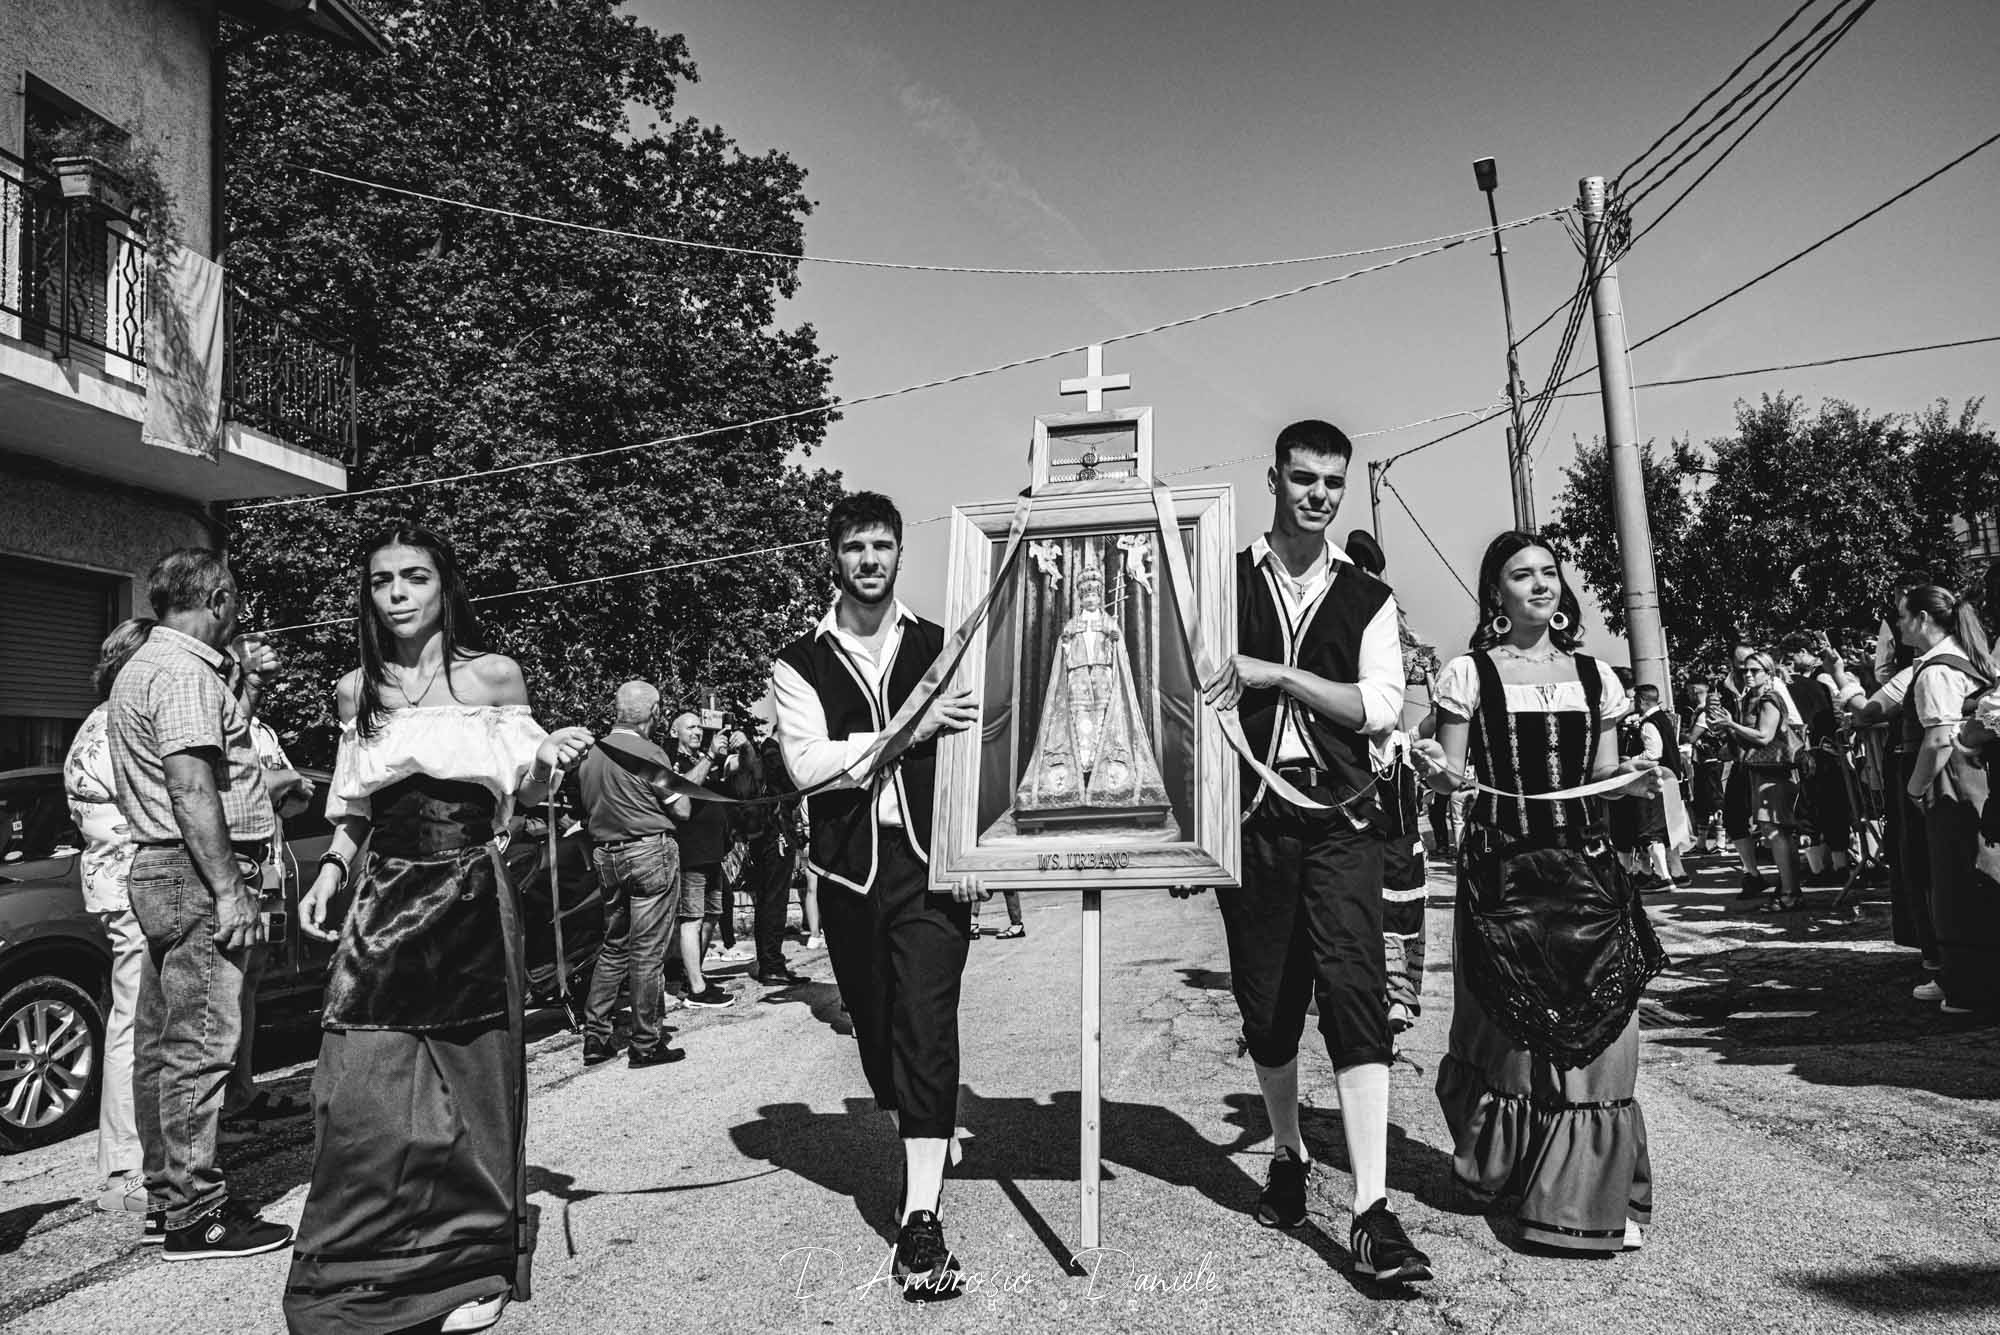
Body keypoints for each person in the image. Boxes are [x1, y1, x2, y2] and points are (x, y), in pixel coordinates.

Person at [287, 526, 594, 1335]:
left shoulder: (494, 676)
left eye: (414, 576)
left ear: (442, 586)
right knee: (356, 1092)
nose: (397, 592)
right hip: (382, 897)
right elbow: (354, 807)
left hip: (468, 889)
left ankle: (470, 1266)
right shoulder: (355, 689)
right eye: (383, 578)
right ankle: (359, 1276)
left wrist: (550, 754)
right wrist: (328, 871)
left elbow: (522, 793)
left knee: (473, 1083)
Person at [1200, 419, 1433, 1283]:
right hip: (1254, 821)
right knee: (1267, 1001)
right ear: (1274, 478)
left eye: (1333, 483)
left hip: (1342, 816)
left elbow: (1378, 705)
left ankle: (1372, 1209)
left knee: (1353, 988)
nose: (1319, 495)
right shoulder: (1218, 581)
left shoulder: (1368, 596)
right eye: (1304, 479)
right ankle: (1290, 1150)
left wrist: (1280, 675)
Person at [1411, 531, 1665, 1255]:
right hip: (1502, 876)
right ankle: (1518, 1171)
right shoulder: (1469, 674)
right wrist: (1434, 767)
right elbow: (1452, 777)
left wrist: (1638, 784)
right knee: (1514, 1040)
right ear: (1497, 592)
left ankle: (1588, 1194)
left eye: (1549, 572)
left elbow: (1606, 782)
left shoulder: (1596, 678)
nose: (1540, 584)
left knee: (1606, 1037)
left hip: (1586, 874)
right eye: (1522, 575)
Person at [770, 490, 982, 1299]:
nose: (870, 560)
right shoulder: (799, 660)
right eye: (855, 546)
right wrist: (905, 733)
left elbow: (976, 735)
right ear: (834, 557)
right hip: (852, 870)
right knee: (877, 1024)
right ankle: (915, 1122)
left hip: (931, 863)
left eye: (882, 546)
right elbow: (806, 764)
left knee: (926, 1022)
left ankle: (921, 1216)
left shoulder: (940, 644)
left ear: (900, 554)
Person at [105, 549, 292, 1260]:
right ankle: (195, 1212)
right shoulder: (183, 672)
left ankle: (165, 1196)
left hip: (162, 867)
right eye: (235, 601)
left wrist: (242, 689)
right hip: (193, 870)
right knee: (202, 1043)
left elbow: (218, 756)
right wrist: (229, 889)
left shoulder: (150, 666)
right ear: (217, 598)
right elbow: (192, 788)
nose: (238, 613)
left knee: (160, 1041)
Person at [61, 618, 157, 1219]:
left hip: (125, 889)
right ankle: (125, 1165)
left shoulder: (98, 723)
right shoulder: (114, 725)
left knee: (139, 1018)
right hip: (134, 890)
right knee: (136, 1021)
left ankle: (134, 1157)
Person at [577, 680, 690, 1067]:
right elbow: (683, 809)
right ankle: (646, 1043)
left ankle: (596, 1038)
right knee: (647, 952)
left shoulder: (592, 754)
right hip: (648, 851)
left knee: (613, 946)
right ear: (655, 712)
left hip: (606, 856)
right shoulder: (649, 752)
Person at [1896, 585, 1997, 1013]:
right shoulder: (1966, 658)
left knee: (1956, 880)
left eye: (1902, 616)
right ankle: (1958, 975)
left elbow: (1939, 740)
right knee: (1968, 873)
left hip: (1951, 780)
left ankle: (1969, 985)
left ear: (1922, 618)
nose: (1898, 625)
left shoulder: (1936, 670)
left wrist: (1914, 788)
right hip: (1974, 778)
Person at [223, 698, 314, 1126]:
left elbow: (298, 798)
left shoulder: (263, 730)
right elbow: (239, 793)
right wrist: (278, 786)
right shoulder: (216, 720)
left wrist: (281, 788)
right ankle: (219, 1098)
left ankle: (243, 1088)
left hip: (272, 871)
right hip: (235, 870)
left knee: (256, 973)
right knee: (229, 980)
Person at [1713, 651, 1806, 911]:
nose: (1749, 675)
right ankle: (1789, 890)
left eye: (1755, 670)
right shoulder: (1753, 699)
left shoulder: (1769, 699)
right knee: (1774, 831)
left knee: (1776, 831)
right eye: (1745, 671)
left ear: (1769, 673)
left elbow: (1765, 736)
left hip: (1774, 772)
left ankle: (1790, 892)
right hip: (1763, 771)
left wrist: (1732, 725)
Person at [722, 726, 811, 985]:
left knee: (767, 900)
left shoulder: (767, 752)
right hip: (776, 836)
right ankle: (772, 964)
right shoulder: (774, 753)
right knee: (774, 900)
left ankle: (770, 962)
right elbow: (782, 785)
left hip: (765, 837)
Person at [666, 710, 738, 1006]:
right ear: (674, 732)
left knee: (711, 916)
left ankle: (691, 975)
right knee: (691, 920)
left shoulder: (704, 763)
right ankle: (695, 989)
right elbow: (681, 792)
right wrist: (710, 756)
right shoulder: (671, 760)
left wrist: (740, 749)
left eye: (699, 727)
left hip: (712, 854)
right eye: (690, 727)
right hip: (690, 855)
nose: (697, 731)